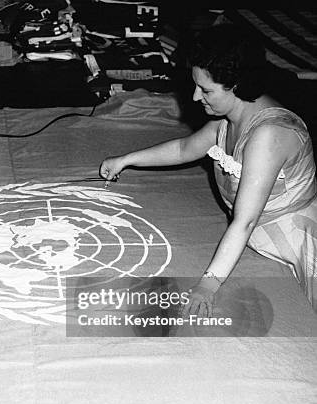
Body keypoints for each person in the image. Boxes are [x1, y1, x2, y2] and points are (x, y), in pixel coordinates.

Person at [99, 23, 316, 316]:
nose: (194, 97)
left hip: (295, 241)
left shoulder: (269, 136)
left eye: (205, 90)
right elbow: (184, 149)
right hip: (255, 233)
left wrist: (208, 285)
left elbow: (245, 222)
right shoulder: (229, 115)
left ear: (236, 86)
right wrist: (126, 159)